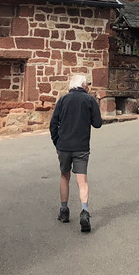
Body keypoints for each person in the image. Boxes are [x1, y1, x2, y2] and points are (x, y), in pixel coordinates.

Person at [50, 72, 103, 233]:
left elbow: (53, 124)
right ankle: (84, 211)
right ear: (84, 85)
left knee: (64, 176)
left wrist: (57, 142)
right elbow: (98, 123)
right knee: (82, 181)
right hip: (81, 146)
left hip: (64, 146)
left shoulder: (63, 100)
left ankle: (64, 210)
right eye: (87, 84)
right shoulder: (89, 100)